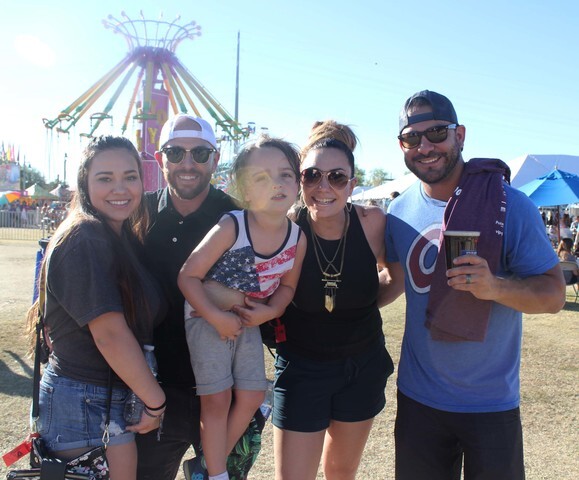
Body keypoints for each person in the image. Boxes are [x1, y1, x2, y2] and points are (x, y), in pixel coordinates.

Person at [385, 90, 566, 479]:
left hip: (490, 405)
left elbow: (553, 295)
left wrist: (496, 287)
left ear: (460, 135)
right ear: (401, 145)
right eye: (412, 138)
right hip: (419, 400)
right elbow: (394, 281)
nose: (425, 146)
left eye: (437, 132)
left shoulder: (510, 205)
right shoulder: (397, 212)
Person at [31, 136, 167, 479]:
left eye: (130, 177)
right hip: (83, 399)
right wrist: (155, 401)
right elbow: (108, 333)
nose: (119, 188)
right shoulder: (85, 237)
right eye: (105, 178)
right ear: (85, 183)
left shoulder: (117, 237)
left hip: (102, 396)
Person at [178, 136, 307, 480]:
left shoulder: (297, 237)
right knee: (217, 401)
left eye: (285, 175)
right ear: (246, 191)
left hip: (248, 322)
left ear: (297, 183)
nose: (276, 184)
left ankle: (205, 465)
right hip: (205, 319)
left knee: (251, 396)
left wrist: (271, 311)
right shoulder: (231, 225)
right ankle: (217, 475)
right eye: (262, 178)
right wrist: (216, 318)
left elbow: (288, 286)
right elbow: (188, 277)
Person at [273, 120, 395, 480]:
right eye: (312, 175)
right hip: (301, 366)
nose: (323, 187)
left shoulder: (373, 222)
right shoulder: (286, 229)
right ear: (299, 180)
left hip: (362, 366)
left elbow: (395, 275)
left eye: (337, 177)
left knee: (341, 474)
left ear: (353, 184)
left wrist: (355, 308)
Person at [136, 114, 238, 480]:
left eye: (199, 153)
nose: (188, 164)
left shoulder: (238, 218)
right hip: (154, 388)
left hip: (224, 389)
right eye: (175, 152)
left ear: (215, 156)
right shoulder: (138, 213)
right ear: (160, 157)